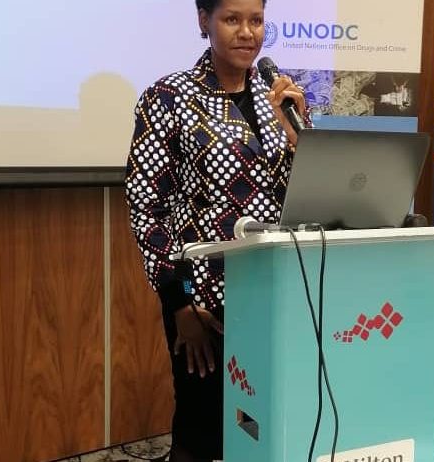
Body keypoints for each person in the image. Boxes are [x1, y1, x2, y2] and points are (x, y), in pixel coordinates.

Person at [124, 0, 309, 460]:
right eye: (232, 19)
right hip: (203, 297)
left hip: (275, 289)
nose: (247, 32)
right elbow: (147, 206)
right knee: (202, 425)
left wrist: (299, 136)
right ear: (204, 21)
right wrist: (178, 303)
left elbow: (304, 197)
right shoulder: (169, 97)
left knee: (268, 418)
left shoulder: (278, 99)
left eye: (256, 20)